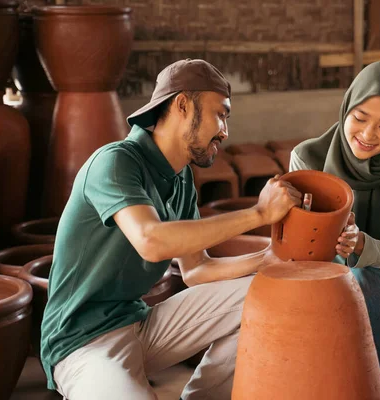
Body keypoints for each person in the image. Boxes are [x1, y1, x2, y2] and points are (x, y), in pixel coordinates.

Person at [40, 58, 302, 400]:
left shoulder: (181, 180)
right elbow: (150, 241)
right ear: (181, 104)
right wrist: (259, 213)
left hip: (140, 325)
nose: (225, 131)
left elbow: (197, 270)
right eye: (220, 114)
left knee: (268, 294)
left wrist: (266, 260)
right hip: (81, 343)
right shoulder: (116, 162)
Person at [290, 60, 380, 399]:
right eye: (359, 118)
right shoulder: (307, 158)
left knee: (368, 278)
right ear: (347, 107)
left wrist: (361, 246)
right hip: (329, 293)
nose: (368, 135)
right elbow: (300, 258)